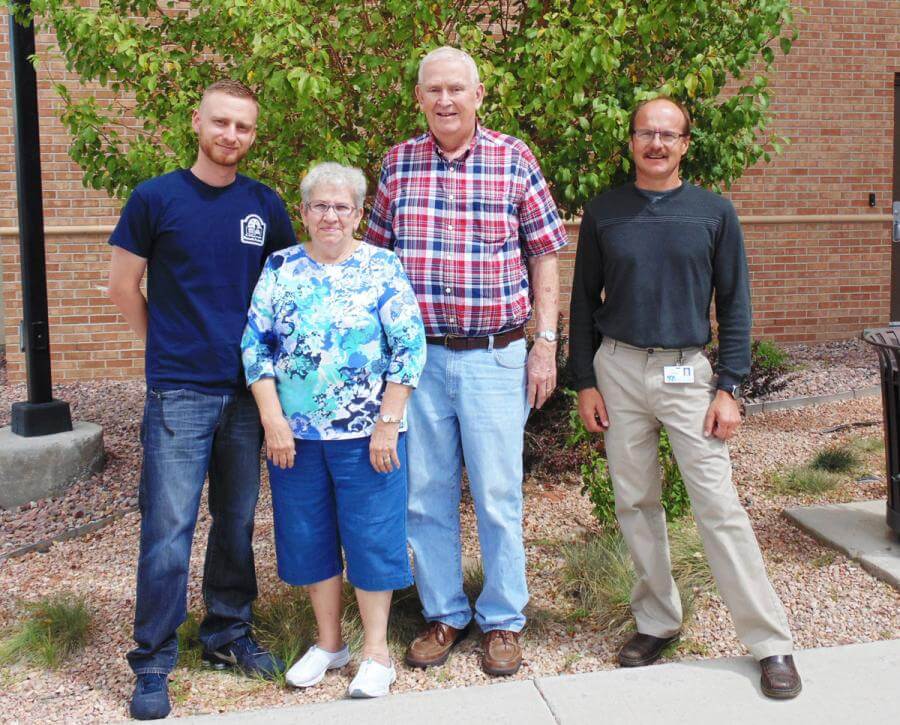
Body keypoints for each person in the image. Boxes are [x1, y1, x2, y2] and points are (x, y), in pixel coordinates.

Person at [569, 96, 802, 698]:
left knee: (718, 507)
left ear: (685, 144)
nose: (657, 143)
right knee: (636, 502)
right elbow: (581, 303)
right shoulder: (604, 212)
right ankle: (658, 620)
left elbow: (736, 304)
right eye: (646, 132)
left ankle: (770, 642)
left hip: (687, 376)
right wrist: (585, 380)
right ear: (631, 141)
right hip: (618, 369)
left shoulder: (713, 212)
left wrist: (729, 387)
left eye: (668, 135)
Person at [365, 46, 567, 676]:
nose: (445, 100)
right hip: (418, 363)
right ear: (420, 98)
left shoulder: (514, 159)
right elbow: (372, 265)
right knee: (424, 495)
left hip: (495, 357)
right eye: (434, 90)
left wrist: (546, 343)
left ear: (479, 95)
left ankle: (504, 620)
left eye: (457, 88)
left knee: (498, 493)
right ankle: (444, 612)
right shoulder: (397, 167)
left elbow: (545, 257)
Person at [108, 80, 294, 720]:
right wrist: (162, 350)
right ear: (198, 122)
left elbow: (282, 297)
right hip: (180, 392)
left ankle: (226, 635)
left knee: (237, 523)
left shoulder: (265, 206)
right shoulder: (156, 198)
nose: (231, 136)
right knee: (167, 530)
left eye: (243, 127)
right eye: (221, 123)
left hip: (248, 396)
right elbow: (124, 286)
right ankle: (153, 660)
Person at [242, 162, 426, 698]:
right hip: (294, 439)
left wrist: (388, 423)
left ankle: (376, 653)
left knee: (372, 537)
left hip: (369, 435)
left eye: (341, 206)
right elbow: (255, 348)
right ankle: (329, 644)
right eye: (320, 205)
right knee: (309, 538)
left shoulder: (382, 267)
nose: (330, 215)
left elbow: (409, 349)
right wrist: (274, 421)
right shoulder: (280, 267)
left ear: (358, 213)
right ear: (303, 212)